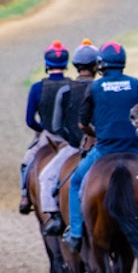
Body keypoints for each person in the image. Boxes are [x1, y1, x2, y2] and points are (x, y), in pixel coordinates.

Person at [64, 42, 138, 252]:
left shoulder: (95, 87)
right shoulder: (136, 84)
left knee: (75, 182)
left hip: (105, 150)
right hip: (135, 148)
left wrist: (96, 133)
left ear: (101, 63)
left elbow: (82, 123)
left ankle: (75, 234)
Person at [40, 41, 99, 236]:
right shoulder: (101, 87)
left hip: (73, 147)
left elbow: (56, 126)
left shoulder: (65, 90)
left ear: (76, 65)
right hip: (103, 145)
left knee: (47, 177)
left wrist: (71, 140)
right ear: (96, 66)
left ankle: (55, 217)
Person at [19, 41, 72, 215]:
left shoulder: (37, 88)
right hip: (69, 137)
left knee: (26, 162)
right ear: (65, 64)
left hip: (47, 136)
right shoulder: (72, 85)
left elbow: (29, 120)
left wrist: (42, 128)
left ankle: (25, 196)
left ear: (47, 65)